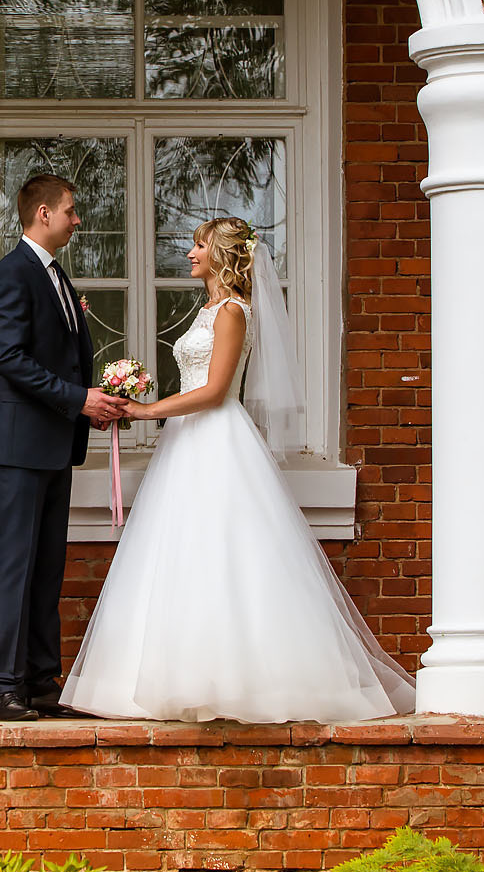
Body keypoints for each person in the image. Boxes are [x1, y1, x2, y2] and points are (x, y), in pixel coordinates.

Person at [58, 216, 413, 723]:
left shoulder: (232, 312)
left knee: (225, 550)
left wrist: (142, 410)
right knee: (180, 551)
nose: (189, 254)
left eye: (198, 245)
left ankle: (242, 680)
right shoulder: (205, 309)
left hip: (219, 438)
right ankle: (165, 676)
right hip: (184, 443)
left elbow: (214, 391)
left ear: (221, 253)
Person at [0, 173, 127, 722]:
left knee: (48, 567)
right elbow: (11, 360)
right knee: (16, 566)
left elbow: (60, 354)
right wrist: (78, 399)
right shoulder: (12, 274)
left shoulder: (56, 276)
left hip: (54, 445)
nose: (77, 218)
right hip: (18, 447)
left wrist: (89, 401)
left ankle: (42, 683)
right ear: (43, 214)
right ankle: (6, 689)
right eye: (71, 210)